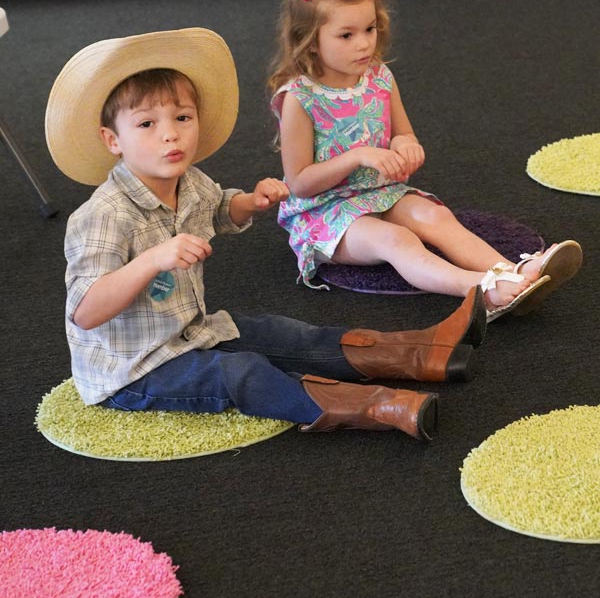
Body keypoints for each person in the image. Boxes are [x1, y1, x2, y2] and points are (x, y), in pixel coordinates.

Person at [45, 28, 490, 444]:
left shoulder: (190, 181)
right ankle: (377, 407)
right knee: (241, 373)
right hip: (135, 371)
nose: (170, 135)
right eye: (146, 125)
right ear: (112, 140)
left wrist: (249, 202)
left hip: (192, 330)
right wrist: (153, 260)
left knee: (286, 334)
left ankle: (423, 353)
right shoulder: (100, 216)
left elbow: (217, 207)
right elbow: (84, 312)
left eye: (182, 117)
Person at [268, 0, 583, 320]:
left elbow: (404, 133)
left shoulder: (379, 78)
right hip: (324, 213)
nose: (364, 44)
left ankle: (516, 272)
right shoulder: (301, 98)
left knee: (436, 217)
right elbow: (298, 183)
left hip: (380, 193)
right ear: (310, 41)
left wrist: (407, 147)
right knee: (397, 239)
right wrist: (358, 156)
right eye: (346, 35)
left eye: (370, 29)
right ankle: (483, 291)